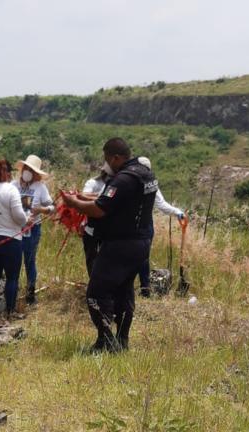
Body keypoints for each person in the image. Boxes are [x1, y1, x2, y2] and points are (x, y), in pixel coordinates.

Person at [62, 138, 157, 353]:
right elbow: (116, 199)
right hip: (141, 243)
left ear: (115, 157)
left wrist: (74, 203)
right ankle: (122, 340)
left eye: (107, 159)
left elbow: (100, 209)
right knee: (124, 291)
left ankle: (106, 341)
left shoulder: (123, 179)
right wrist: (84, 196)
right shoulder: (145, 175)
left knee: (96, 292)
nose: (106, 164)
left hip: (120, 244)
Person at [0, 159, 29, 318]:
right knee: (12, 277)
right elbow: (19, 216)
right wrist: (26, 220)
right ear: (7, 172)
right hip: (10, 238)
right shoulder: (11, 190)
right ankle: (10, 311)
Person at [136, 156, 185, 297]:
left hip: (143, 225)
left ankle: (145, 289)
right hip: (142, 225)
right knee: (139, 257)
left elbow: (161, 204)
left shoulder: (147, 184)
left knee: (142, 257)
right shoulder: (134, 182)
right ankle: (141, 289)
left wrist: (178, 213)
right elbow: (162, 205)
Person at [12, 155, 54, 305]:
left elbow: (52, 207)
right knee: (13, 261)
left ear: (36, 173)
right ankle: (12, 292)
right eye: (26, 169)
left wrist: (41, 209)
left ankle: (30, 295)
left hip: (32, 229)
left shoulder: (40, 187)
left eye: (31, 170)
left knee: (29, 261)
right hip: (14, 229)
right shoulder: (13, 185)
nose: (27, 172)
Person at [81, 166, 112, 276]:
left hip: (107, 229)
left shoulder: (114, 184)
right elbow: (83, 195)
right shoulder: (93, 182)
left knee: (106, 259)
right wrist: (100, 197)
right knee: (91, 258)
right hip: (91, 227)